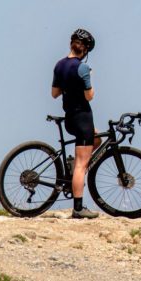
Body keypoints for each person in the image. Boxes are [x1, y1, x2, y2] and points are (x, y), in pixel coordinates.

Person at [51, 29, 101, 219]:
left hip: (70, 118)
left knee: (97, 140)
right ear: (86, 50)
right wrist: (87, 80)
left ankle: (75, 172)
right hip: (83, 118)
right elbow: (90, 96)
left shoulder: (59, 65)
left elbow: (54, 94)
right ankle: (78, 208)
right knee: (82, 164)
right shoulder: (83, 68)